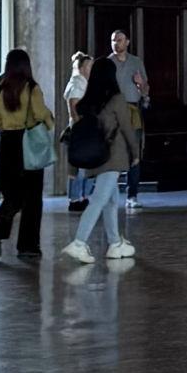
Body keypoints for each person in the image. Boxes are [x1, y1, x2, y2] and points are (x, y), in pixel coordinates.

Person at [61, 55, 140, 264]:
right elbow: (127, 128)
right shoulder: (116, 99)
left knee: (111, 200)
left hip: (95, 157)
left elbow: (78, 131)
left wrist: (72, 165)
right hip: (112, 158)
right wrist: (136, 153)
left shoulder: (88, 100)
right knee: (98, 201)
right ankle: (79, 243)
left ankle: (115, 243)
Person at [0, 49, 52, 261]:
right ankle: (28, 246)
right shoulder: (31, 88)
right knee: (32, 197)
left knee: (13, 194)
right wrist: (50, 121)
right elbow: (39, 115)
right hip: (27, 142)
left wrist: (2, 126)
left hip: (7, 142)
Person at [106, 26, 148, 204]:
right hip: (114, 110)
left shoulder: (136, 62)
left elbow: (145, 89)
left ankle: (132, 195)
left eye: (120, 40)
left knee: (134, 151)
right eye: (113, 40)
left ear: (127, 42)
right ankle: (110, 193)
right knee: (113, 152)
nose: (116, 43)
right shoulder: (107, 63)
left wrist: (140, 84)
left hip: (132, 110)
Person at [62, 49, 93, 207]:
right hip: (80, 129)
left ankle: (84, 195)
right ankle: (75, 198)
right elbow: (73, 107)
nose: (91, 69)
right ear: (81, 68)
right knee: (79, 167)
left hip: (87, 128)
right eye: (88, 66)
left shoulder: (86, 83)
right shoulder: (76, 84)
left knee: (86, 165)